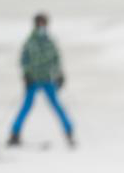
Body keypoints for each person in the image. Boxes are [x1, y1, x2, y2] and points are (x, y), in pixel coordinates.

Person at [7, 13, 75, 147]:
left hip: (48, 79)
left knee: (57, 106)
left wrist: (60, 74)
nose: (42, 26)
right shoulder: (29, 42)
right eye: (40, 23)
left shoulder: (50, 41)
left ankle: (69, 132)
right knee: (26, 106)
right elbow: (23, 60)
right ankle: (15, 133)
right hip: (33, 80)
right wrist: (26, 75)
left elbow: (56, 59)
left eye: (44, 23)